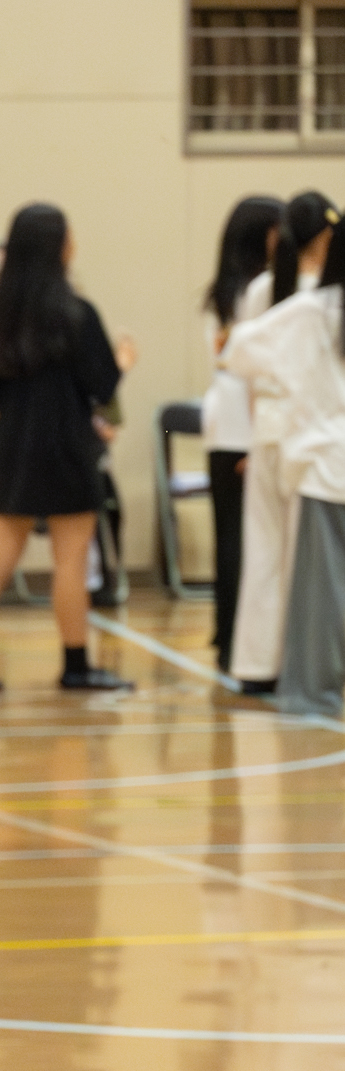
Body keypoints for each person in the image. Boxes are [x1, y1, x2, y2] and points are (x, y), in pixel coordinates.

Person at [0, 204, 135, 693]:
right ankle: (76, 665)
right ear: (59, 247)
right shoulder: (78, 312)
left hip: (15, 450)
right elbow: (103, 383)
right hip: (70, 447)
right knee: (70, 559)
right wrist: (122, 360)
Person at [226, 226, 345, 719]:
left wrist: (287, 382)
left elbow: (236, 352)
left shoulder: (310, 310)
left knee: (320, 589)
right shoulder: (312, 308)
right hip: (322, 464)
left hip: (319, 463)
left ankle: (315, 689)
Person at [202, 196, 285, 675]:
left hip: (222, 426)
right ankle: (241, 644)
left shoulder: (219, 294)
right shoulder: (257, 294)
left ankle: (227, 634)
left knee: (229, 540)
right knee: (243, 543)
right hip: (243, 426)